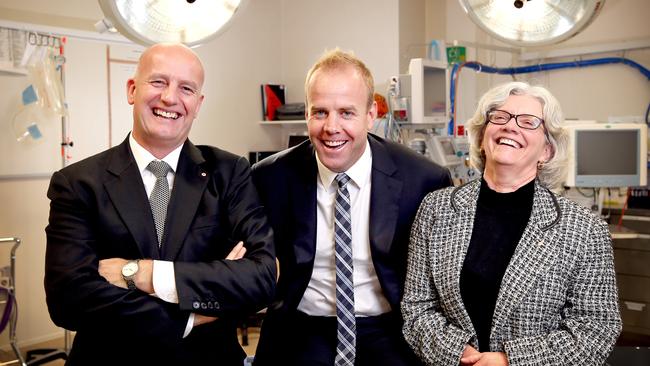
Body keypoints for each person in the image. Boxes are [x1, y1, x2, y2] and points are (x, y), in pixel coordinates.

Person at [44, 43, 276, 365]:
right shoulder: (79, 183)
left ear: (198, 104)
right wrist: (191, 316)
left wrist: (143, 273)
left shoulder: (229, 173)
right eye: (158, 82)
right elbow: (68, 298)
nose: (170, 98)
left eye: (186, 88)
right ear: (132, 90)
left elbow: (261, 278)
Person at [251, 49, 452, 366]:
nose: (332, 127)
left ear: (371, 114)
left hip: (389, 331)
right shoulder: (269, 178)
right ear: (307, 112)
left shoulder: (423, 180)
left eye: (346, 112)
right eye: (320, 112)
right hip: (301, 329)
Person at [401, 81, 622, 366]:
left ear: (547, 151)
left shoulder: (584, 230)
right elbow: (417, 307)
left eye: (529, 122)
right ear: (482, 137)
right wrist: (456, 353)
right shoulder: (436, 208)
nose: (510, 126)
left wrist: (510, 361)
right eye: (500, 117)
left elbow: (596, 330)